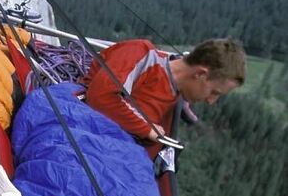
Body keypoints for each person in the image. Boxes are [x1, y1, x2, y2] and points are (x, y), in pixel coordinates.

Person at [81, 37, 246, 146]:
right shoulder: (140, 53)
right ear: (200, 74)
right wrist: (146, 129)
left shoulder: (177, 94)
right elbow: (100, 96)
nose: (211, 101)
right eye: (214, 92)